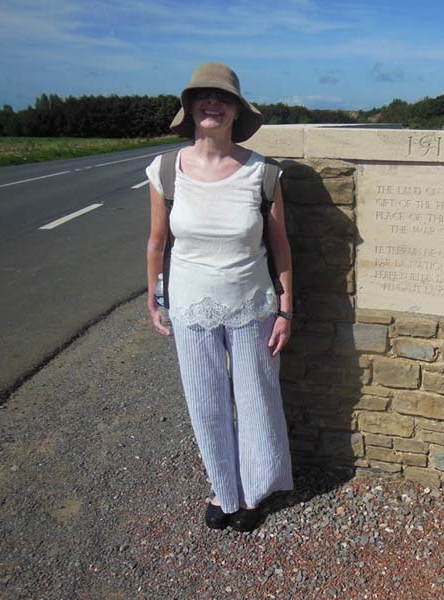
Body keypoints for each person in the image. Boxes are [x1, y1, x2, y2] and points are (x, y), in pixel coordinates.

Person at [145, 62, 294, 531]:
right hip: (190, 306)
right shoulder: (165, 169)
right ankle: (223, 489)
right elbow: (156, 242)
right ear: (188, 108)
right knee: (206, 403)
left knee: (255, 400)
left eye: (222, 97)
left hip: (253, 305)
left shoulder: (263, 173)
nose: (212, 104)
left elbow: (281, 246)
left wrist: (287, 309)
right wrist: (155, 299)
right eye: (201, 97)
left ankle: (253, 490)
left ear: (236, 109)